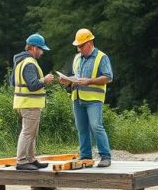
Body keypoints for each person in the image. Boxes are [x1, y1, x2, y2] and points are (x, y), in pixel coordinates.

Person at [63, 28, 113, 167]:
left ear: (89, 43)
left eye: (81, 45)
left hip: (93, 99)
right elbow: (75, 76)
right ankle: (85, 157)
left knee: (96, 126)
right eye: (77, 46)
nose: (79, 49)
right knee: (81, 128)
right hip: (77, 97)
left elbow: (108, 77)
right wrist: (68, 81)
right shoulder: (77, 58)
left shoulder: (101, 57)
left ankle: (105, 156)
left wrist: (89, 81)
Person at [11, 33, 56, 170]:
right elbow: (33, 84)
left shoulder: (21, 61)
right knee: (27, 132)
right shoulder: (29, 63)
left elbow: (12, 81)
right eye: (41, 49)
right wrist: (45, 80)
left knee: (32, 133)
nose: (42, 52)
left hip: (26, 103)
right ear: (33, 48)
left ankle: (31, 159)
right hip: (29, 104)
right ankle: (22, 161)